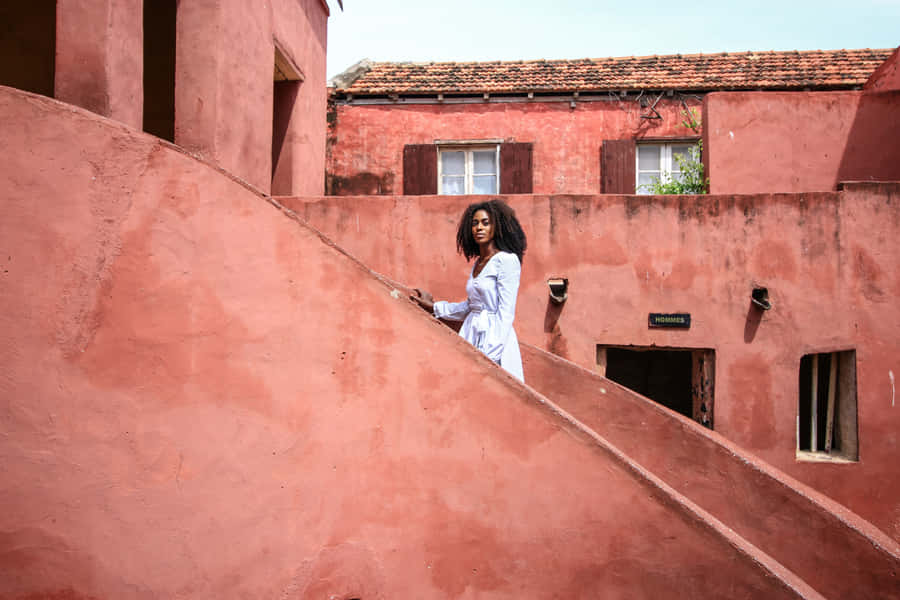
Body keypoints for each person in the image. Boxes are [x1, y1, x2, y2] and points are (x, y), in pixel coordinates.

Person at [413, 199, 527, 382]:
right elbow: (470, 307)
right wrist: (434, 307)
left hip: (494, 338)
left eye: (485, 223)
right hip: (471, 332)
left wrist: (489, 356)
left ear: (496, 227)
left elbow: (506, 312)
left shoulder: (506, 260)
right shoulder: (478, 263)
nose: (479, 228)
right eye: (475, 223)